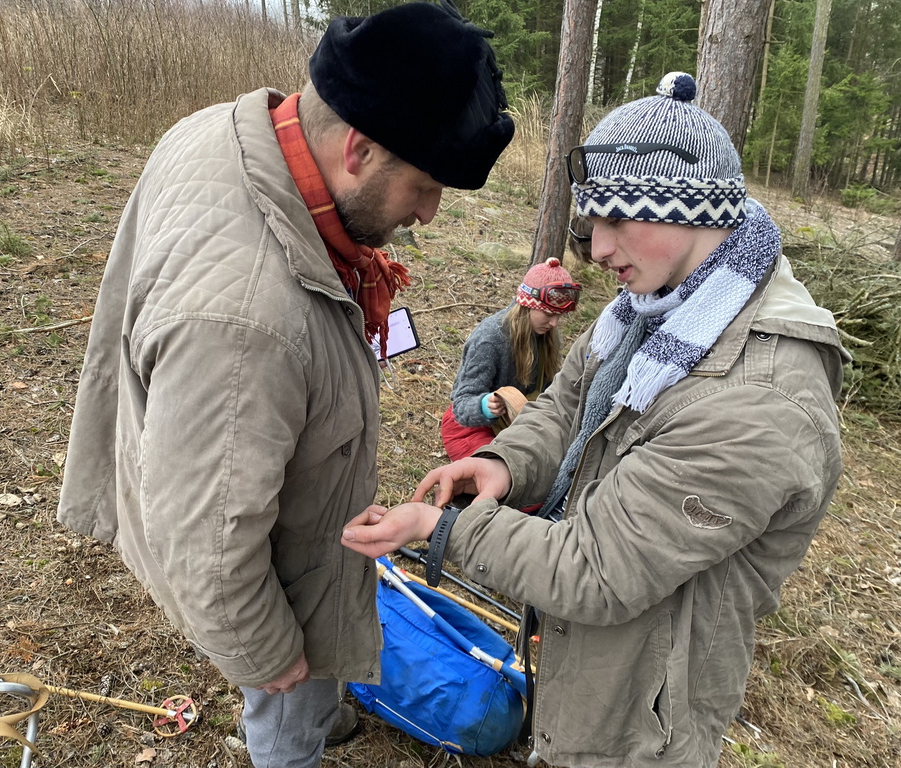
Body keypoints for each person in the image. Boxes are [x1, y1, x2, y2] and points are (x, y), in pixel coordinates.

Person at [340, 71, 847, 768]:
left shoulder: (756, 401)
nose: (598, 249)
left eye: (615, 220)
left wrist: (441, 528)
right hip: (588, 663)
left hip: (642, 718)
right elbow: (568, 404)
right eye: (591, 223)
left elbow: (596, 570)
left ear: (688, 209)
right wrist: (502, 463)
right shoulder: (654, 308)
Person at [55, 2, 514, 766]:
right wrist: (269, 653)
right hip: (269, 575)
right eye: (425, 186)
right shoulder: (249, 324)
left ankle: (311, 712)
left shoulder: (226, 130)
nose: (430, 215)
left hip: (261, 483)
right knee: (286, 716)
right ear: (359, 149)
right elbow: (208, 544)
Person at [441, 256, 579, 462]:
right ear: (527, 305)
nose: (554, 323)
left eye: (560, 316)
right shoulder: (489, 339)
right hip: (472, 427)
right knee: (501, 470)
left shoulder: (546, 335)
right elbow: (462, 405)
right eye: (549, 314)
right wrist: (485, 406)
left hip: (515, 424)